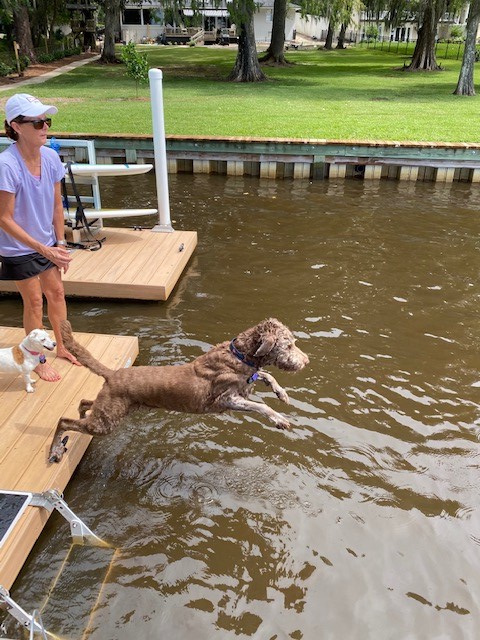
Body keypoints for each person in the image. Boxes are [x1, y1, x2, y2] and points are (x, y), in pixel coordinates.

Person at [0, 93, 81, 382]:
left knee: (56, 293)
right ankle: (37, 359)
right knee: (34, 302)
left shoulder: (50, 156)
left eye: (47, 121)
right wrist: (43, 249)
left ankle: (64, 345)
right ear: (16, 127)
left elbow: (57, 205)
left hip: (47, 242)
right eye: (37, 123)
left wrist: (59, 243)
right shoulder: (6, 165)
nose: (45, 127)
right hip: (17, 246)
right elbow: (4, 219)